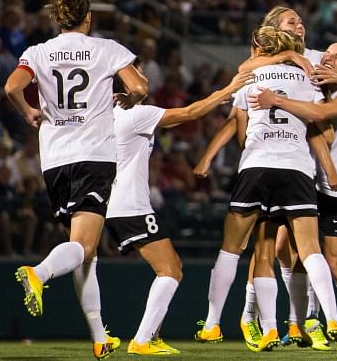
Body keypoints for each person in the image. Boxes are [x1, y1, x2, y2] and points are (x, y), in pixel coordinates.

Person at [194, 5, 337, 351]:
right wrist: (329, 167)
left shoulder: (252, 75)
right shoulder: (307, 71)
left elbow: (239, 127)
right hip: (298, 168)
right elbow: (322, 132)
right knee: (307, 250)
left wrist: (210, 156)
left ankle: (226, 323)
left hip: (257, 163)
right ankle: (326, 319)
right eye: (293, 22)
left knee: (248, 249)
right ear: (278, 32)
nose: (300, 25)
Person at [4, 0, 147, 360]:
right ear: (88, 18)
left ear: (57, 18)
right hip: (94, 156)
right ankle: (39, 273)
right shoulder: (106, 48)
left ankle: (100, 338)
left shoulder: (37, 52)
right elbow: (138, 86)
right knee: (83, 247)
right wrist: (130, 98)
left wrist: (28, 112)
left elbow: (11, 86)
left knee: (87, 253)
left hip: (55, 160)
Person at [106, 59, 254, 356]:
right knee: (170, 270)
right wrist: (229, 89)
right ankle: (142, 340)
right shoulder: (135, 114)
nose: (144, 78)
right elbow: (189, 113)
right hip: (130, 205)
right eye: (137, 74)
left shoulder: (104, 115)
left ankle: (152, 335)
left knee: (170, 265)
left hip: (116, 202)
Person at [249, 42, 337, 350]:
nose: (327, 58)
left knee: (335, 261)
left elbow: (318, 116)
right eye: (327, 54)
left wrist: (276, 100)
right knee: (287, 252)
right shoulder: (312, 87)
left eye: (336, 57)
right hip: (308, 181)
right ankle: (304, 324)